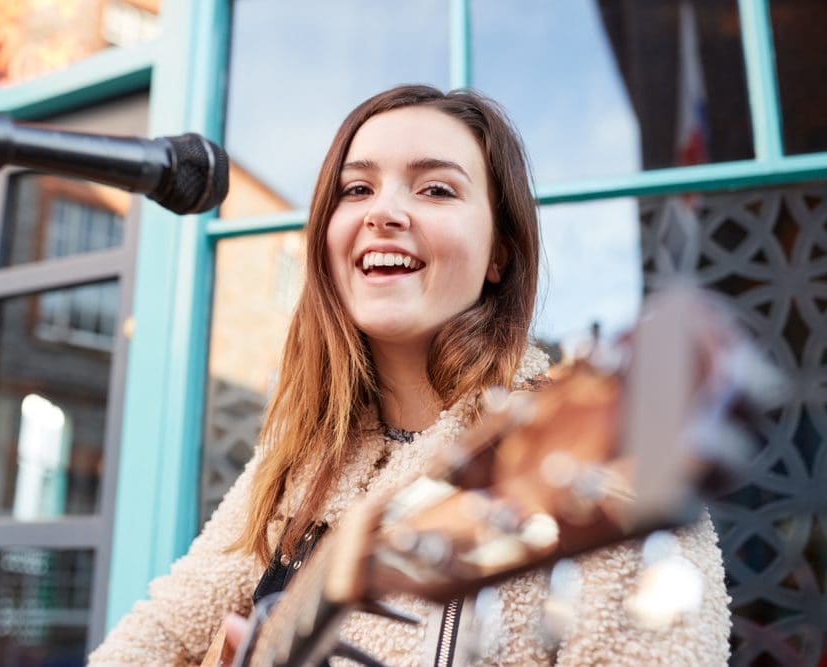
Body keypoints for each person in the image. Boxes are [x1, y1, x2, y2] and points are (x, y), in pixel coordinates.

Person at [87, 85, 731, 666]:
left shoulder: (592, 462)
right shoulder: (297, 459)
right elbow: (149, 641)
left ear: (500, 254)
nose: (383, 212)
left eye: (436, 189)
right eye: (356, 189)